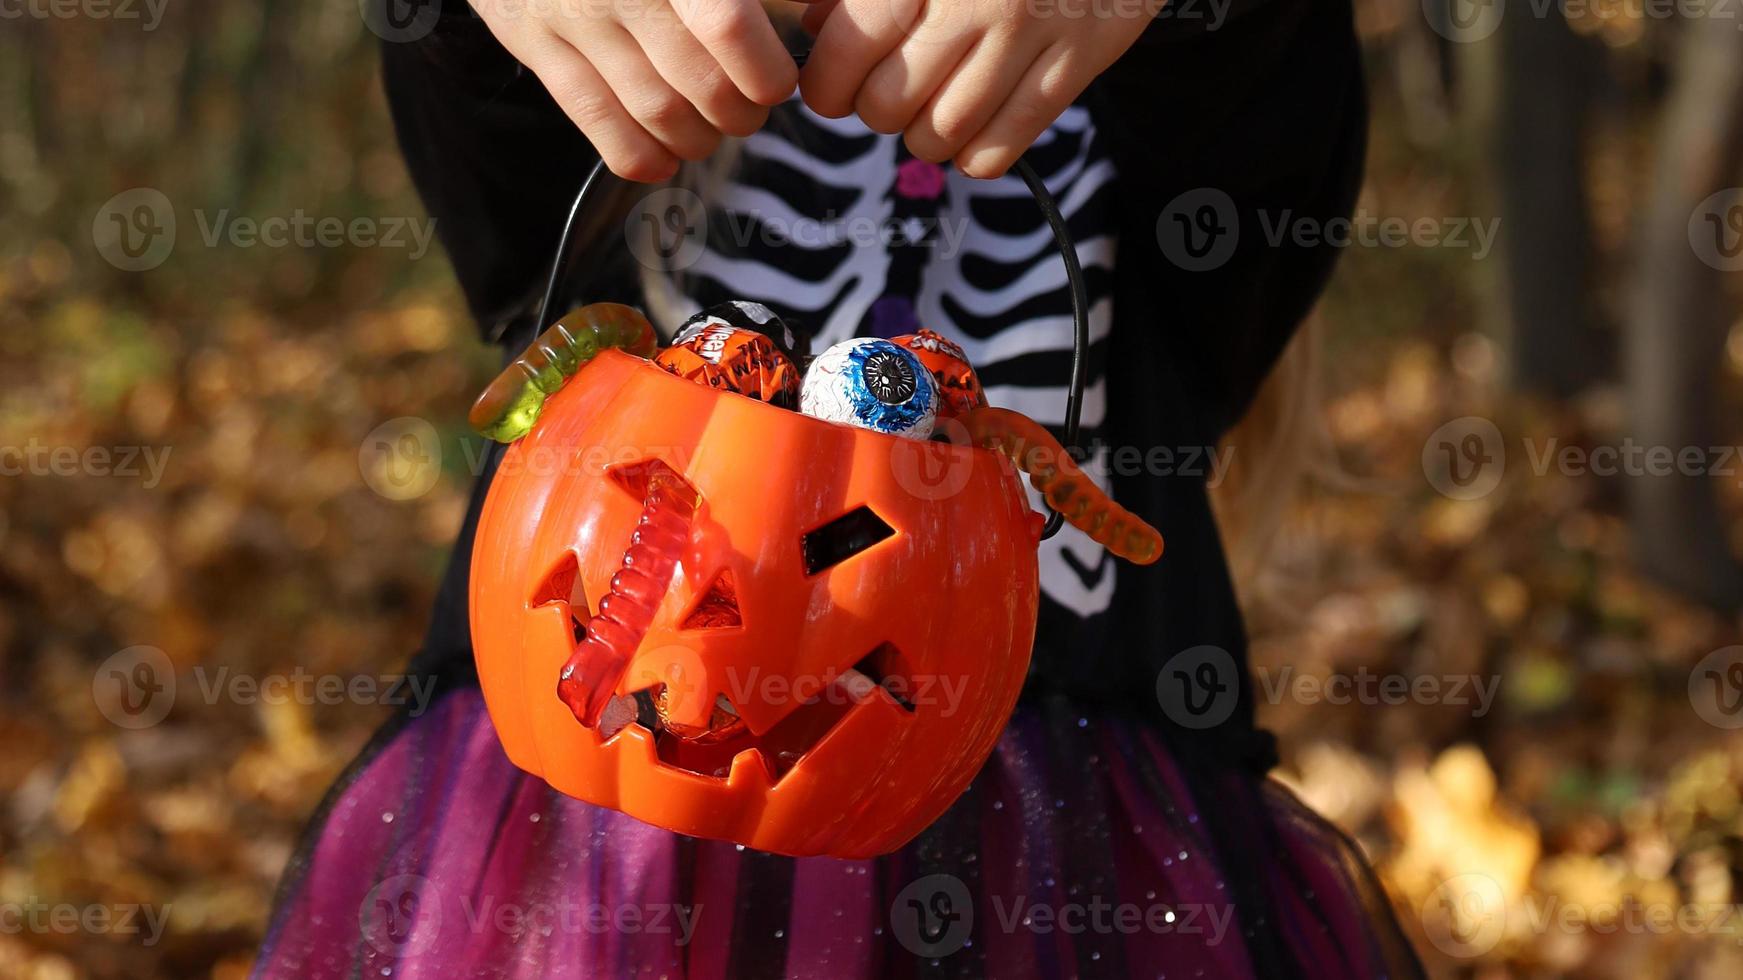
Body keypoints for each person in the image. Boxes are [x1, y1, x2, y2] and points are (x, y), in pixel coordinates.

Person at [256, 0, 1424, 975]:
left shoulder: (1181, 115)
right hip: (594, 776)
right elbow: (502, 201)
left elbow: (1269, 137)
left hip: (1066, 803)